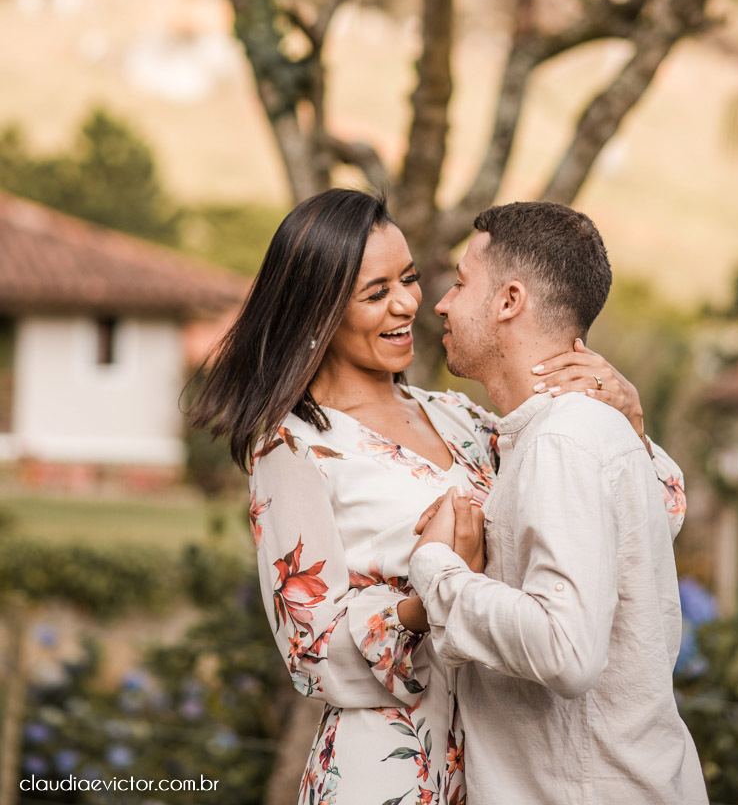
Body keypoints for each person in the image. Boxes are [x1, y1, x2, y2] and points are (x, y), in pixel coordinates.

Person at [190, 188, 685, 805]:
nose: (409, 304)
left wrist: (628, 423)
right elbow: (309, 653)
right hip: (393, 767)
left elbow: (636, 523)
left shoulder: (459, 417)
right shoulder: (296, 449)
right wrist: (428, 599)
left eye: (410, 278)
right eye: (376, 293)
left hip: (503, 762)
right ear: (319, 311)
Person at [409, 201, 708, 804]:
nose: (440, 303)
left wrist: (436, 569)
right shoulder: (580, 433)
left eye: (462, 283)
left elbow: (565, 651)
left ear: (509, 301)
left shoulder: (561, 442)